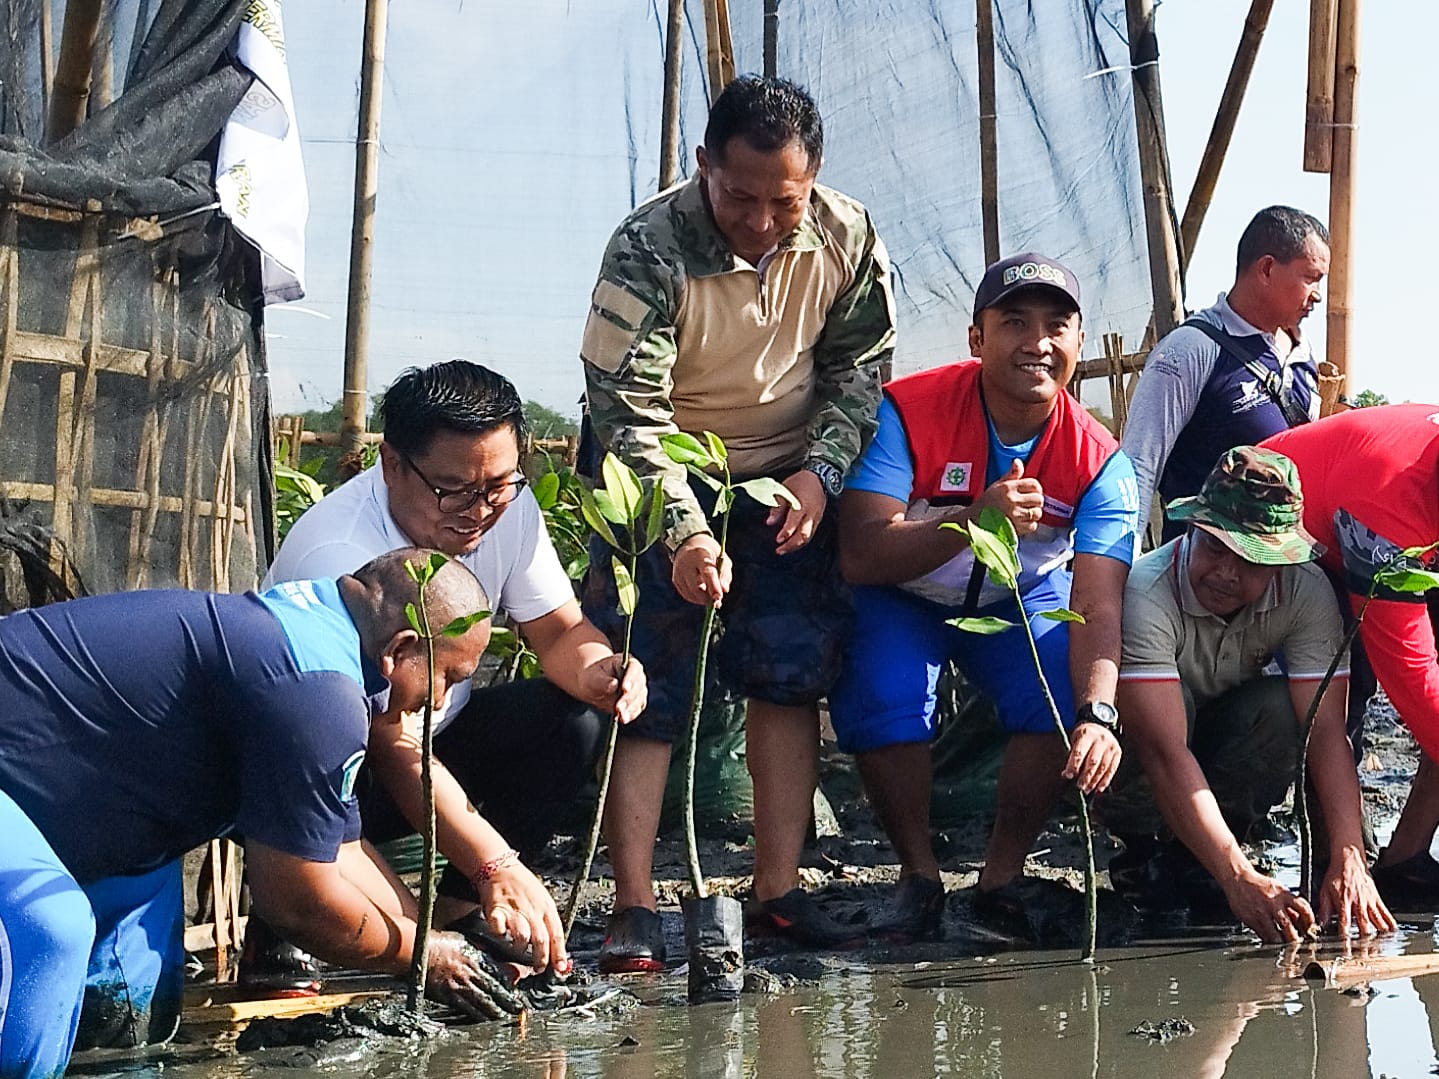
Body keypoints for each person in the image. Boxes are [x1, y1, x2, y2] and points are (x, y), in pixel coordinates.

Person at [579, 74, 895, 969]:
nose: (759, 222)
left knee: (786, 673)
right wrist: (682, 530)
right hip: (659, 469)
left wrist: (820, 474)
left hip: (785, 472)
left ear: (813, 179)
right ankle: (633, 904)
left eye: (782, 203)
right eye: (738, 197)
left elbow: (859, 368)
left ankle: (776, 891)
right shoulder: (646, 247)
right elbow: (628, 412)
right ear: (703, 166)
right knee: (646, 676)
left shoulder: (845, 235)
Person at [0, 550, 525, 1079]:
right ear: (400, 649)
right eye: (447, 676)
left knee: (132, 1005)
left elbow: (342, 852)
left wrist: (437, 944)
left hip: (103, 816)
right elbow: (297, 902)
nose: (441, 701)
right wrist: (421, 955)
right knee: (51, 930)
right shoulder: (317, 688)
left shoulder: (323, 642)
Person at [264, 360, 646, 982]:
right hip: (343, 763)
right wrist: (497, 865)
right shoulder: (342, 553)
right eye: (453, 491)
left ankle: (464, 918)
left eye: (499, 485)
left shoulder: (507, 509)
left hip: (433, 744)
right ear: (392, 465)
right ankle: (288, 924)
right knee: (327, 810)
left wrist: (604, 670)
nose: (479, 510)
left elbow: (559, 633)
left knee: (569, 720)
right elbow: (386, 739)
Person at [831, 252, 1136, 942]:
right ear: (977, 338)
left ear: (1079, 341)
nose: (1037, 342)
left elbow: (1097, 603)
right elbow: (861, 553)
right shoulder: (905, 410)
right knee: (886, 697)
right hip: (900, 593)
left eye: (1056, 326)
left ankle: (1002, 874)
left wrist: (1098, 713)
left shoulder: (1101, 461)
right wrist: (974, 519)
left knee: (1061, 696)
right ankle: (919, 874)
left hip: (1017, 598)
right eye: (1014, 323)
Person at [1105, 447, 1394, 942]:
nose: (1226, 573)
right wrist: (1238, 876)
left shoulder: (1307, 593)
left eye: (1250, 560)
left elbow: (1327, 733)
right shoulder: (1146, 592)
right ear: (1192, 529)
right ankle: (1141, 854)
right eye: (1215, 548)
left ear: (1280, 563)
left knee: (1286, 711)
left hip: (1221, 732)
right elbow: (1164, 752)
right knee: (1166, 717)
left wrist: (1350, 857)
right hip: (1150, 749)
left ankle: (1204, 854)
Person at [1263, 404, 1439, 902]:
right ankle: (1333, 865)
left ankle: (1405, 860)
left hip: (1406, 530)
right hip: (1288, 539)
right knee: (1342, 694)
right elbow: (1413, 676)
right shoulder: (1386, 501)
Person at [1124, 206, 1329, 541]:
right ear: (1267, 269)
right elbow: (1139, 465)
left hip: (1285, 561)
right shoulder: (1191, 349)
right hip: (1206, 564)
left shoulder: (1302, 354)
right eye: (1311, 277)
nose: (1318, 295)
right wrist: (1119, 562)